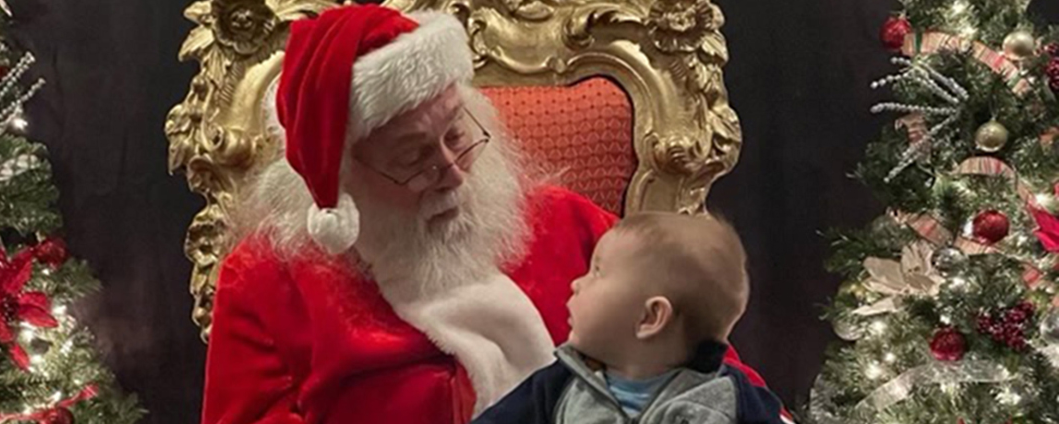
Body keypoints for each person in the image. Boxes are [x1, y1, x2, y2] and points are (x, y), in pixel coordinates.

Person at [199, 5, 783, 424]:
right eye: (413, 159)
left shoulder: (574, 227)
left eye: (458, 133)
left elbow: (705, 361)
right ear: (342, 183)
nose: (453, 170)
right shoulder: (265, 280)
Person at [473, 212, 786, 424]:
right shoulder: (560, 384)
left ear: (650, 317)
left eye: (597, 271)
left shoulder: (730, 399)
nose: (576, 284)